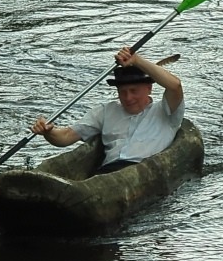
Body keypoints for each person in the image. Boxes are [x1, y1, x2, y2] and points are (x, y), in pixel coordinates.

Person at [30, 46, 184, 174]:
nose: (128, 98)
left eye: (134, 91)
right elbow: (65, 137)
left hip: (144, 172)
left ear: (149, 88)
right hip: (108, 173)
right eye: (122, 92)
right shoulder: (105, 111)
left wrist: (137, 60)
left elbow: (175, 86)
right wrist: (48, 132)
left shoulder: (166, 112)